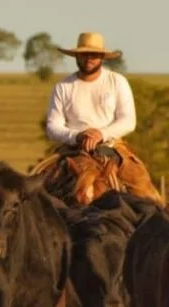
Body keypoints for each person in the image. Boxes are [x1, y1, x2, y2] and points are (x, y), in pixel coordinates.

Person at [37, 32, 163, 205]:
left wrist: (101, 134)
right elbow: (53, 126)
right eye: (84, 54)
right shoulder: (62, 87)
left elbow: (128, 120)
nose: (89, 59)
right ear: (76, 56)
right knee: (35, 194)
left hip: (112, 148)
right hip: (73, 151)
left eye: (94, 54)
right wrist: (78, 136)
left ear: (102, 57)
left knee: (147, 196)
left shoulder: (117, 81)